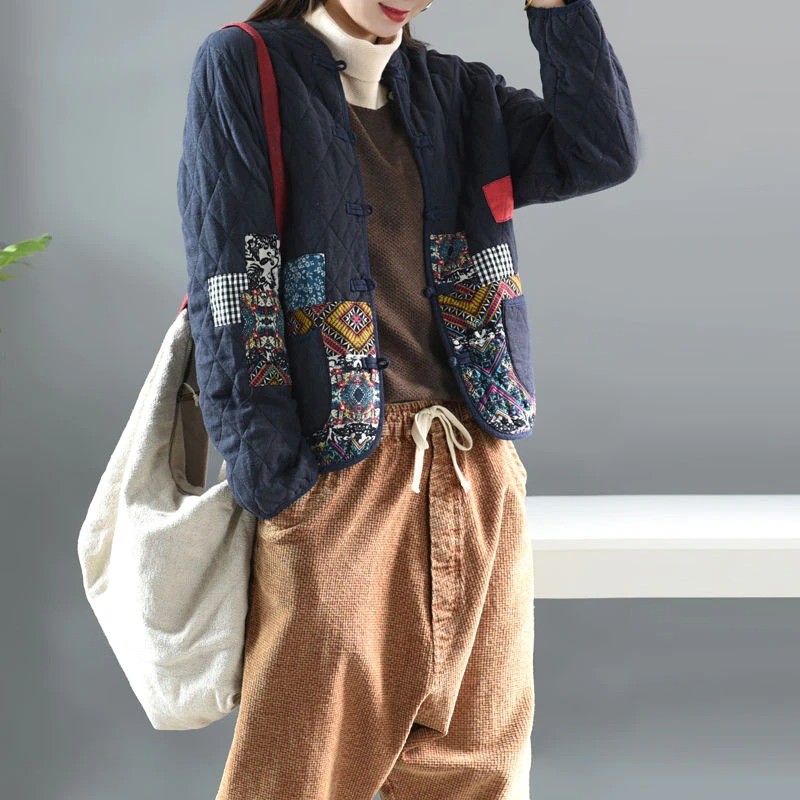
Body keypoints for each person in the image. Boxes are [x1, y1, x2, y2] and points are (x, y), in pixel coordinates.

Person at [177, 1, 639, 797]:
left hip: (475, 463)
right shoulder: (246, 64)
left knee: (477, 775)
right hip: (337, 478)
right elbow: (232, 276)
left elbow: (599, 150)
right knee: (299, 779)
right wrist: (277, 483)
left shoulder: (455, 94)